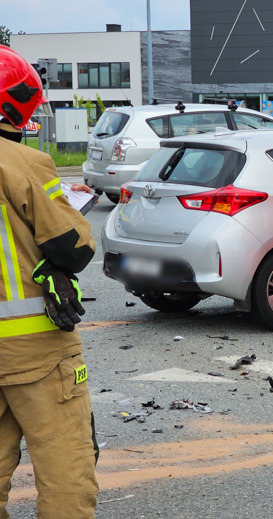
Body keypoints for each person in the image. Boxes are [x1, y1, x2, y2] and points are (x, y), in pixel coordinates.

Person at [0, 46, 98, 518]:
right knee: (67, 481)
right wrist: (62, 204)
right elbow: (72, 249)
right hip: (34, 355)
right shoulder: (24, 163)